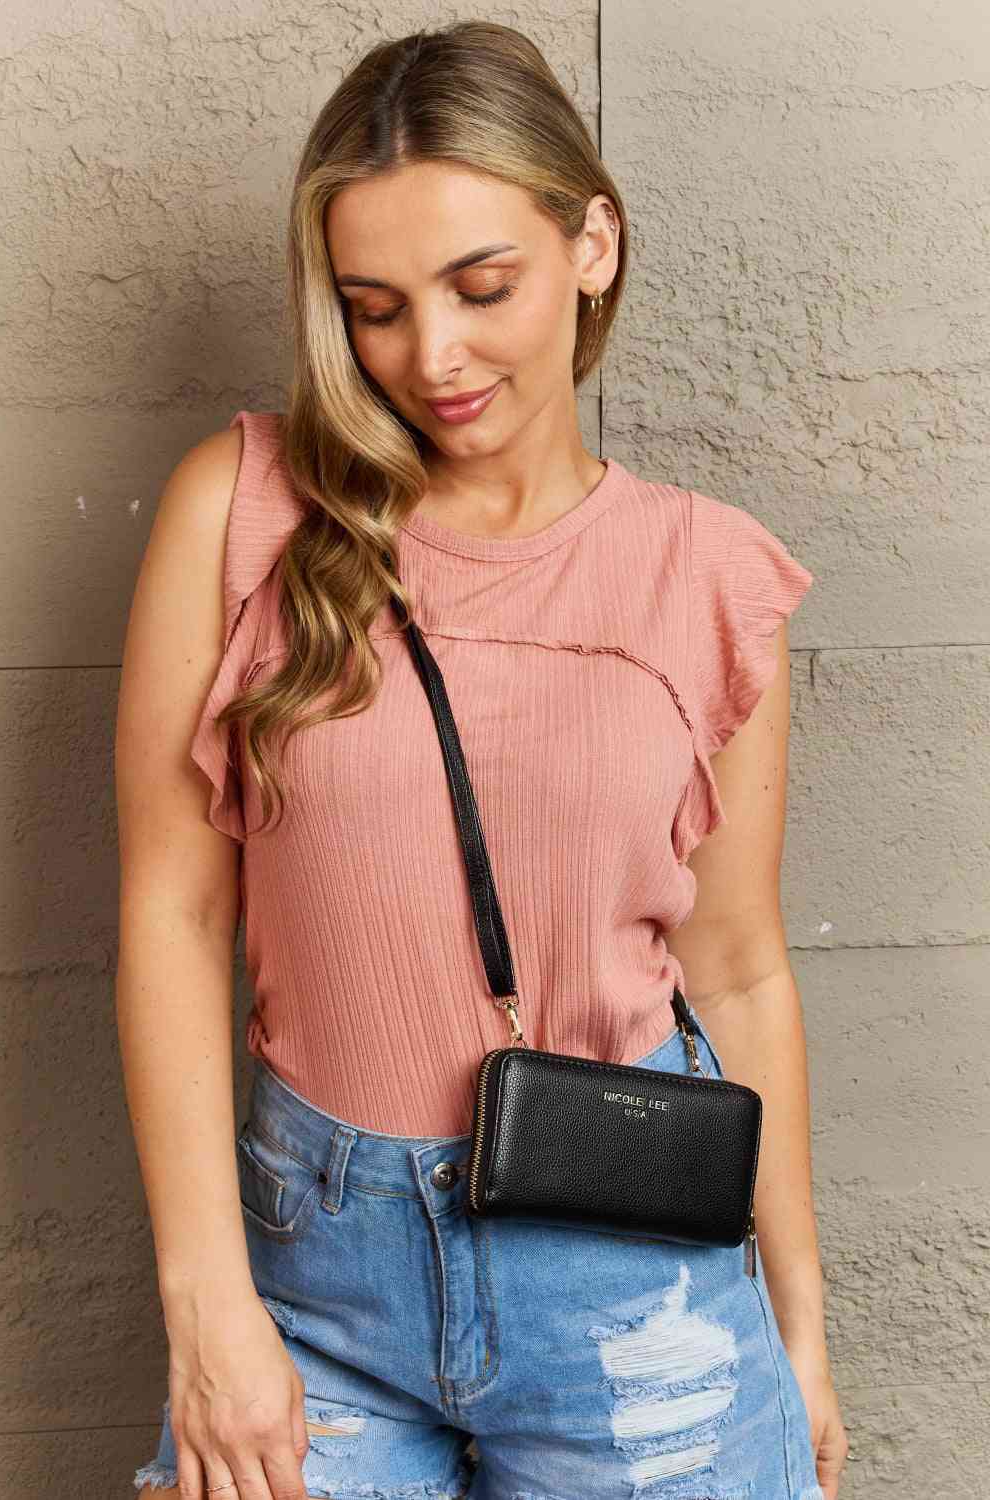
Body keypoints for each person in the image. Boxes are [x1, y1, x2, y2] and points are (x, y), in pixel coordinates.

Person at [116, 20, 849, 1500]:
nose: (430, 358)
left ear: (592, 245)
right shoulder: (244, 511)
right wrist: (207, 1311)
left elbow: (737, 970)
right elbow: (174, 912)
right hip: (319, 1280)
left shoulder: (706, 576)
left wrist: (800, 1327)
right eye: (375, 308)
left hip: (638, 1288)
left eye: (482, 286)